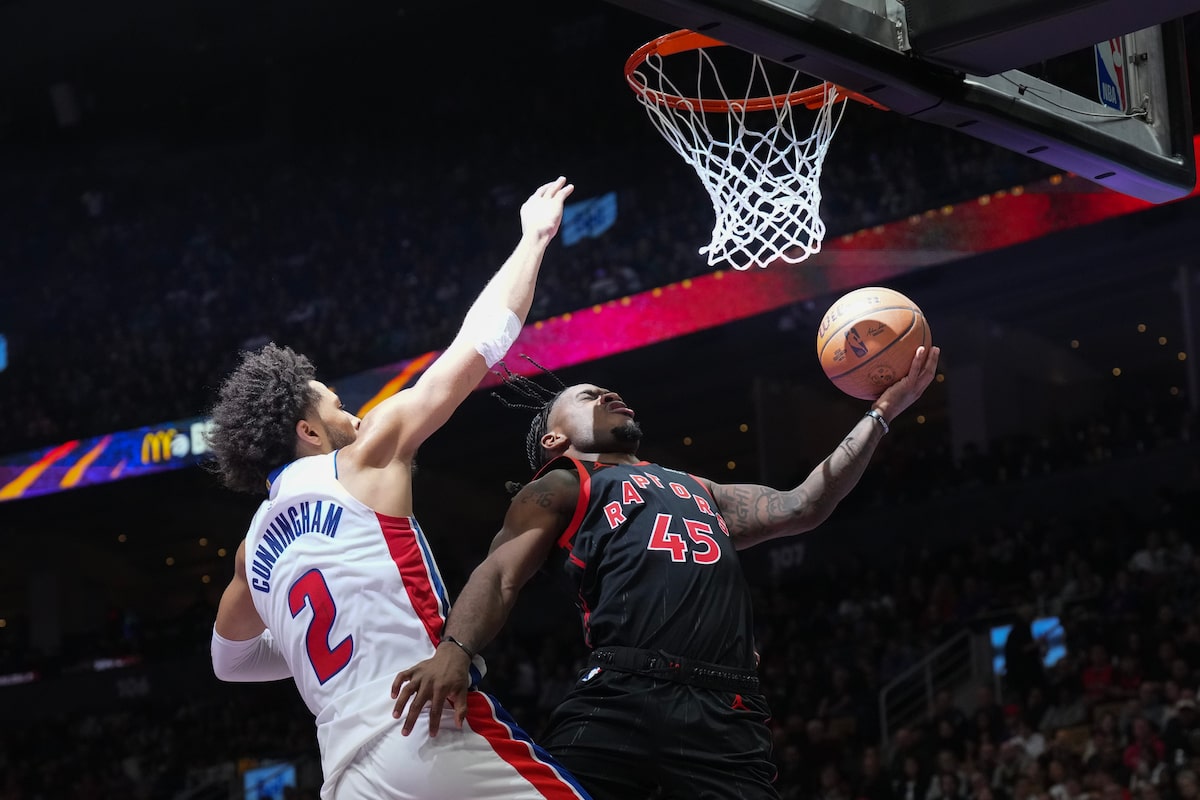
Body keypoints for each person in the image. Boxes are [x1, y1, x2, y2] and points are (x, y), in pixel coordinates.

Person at [391, 342, 941, 799]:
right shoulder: (562, 483)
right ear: (555, 441)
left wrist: (880, 413)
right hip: (621, 690)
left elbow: (803, 505)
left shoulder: (699, 488)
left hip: (726, 705)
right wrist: (454, 652)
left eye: (606, 390)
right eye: (586, 397)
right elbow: (500, 573)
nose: (608, 393)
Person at [207, 177, 591, 800]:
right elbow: (481, 344)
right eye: (336, 406)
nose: (353, 413)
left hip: (348, 778)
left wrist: (307, 644)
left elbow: (230, 663)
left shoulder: (252, 556)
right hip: (425, 729)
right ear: (307, 430)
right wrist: (533, 239)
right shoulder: (364, 453)